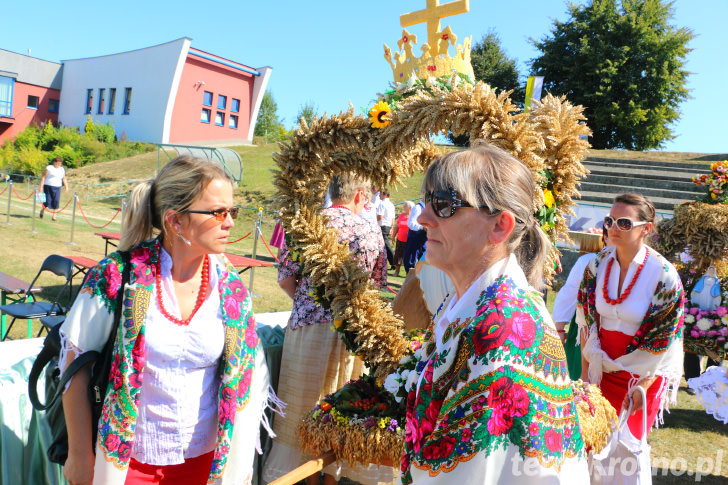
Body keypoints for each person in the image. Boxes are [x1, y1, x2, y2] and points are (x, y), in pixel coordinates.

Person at [59, 156, 270, 485]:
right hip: (128, 463)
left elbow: (247, 378)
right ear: (175, 220)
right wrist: (79, 454)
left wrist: (239, 464)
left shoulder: (232, 290)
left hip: (207, 462)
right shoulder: (117, 276)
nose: (230, 223)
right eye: (218, 212)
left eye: (233, 211)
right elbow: (74, 366)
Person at [400, 143, 589, 484]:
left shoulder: (500, 329)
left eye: (443, 204)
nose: (423, 218)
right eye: (425, 202)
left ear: (499, 227)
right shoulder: (470, 302)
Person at [263, 173, 388, 485]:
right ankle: (331, 477)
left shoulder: (309, 224)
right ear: (360, 194)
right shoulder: (372, 230)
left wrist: (310, 302)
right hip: (353, 332)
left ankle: (299, 477)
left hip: (308, 328)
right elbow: (376, 287)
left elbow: (285, 277)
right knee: (342, 409)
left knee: (301, 409)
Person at [576, 193, 684, 445]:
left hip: (642, 375)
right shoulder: (596, 265)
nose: (613, 228)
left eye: (624, 222)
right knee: (591, 445)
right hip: (599, 370)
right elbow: (586, 323)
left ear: (646, 228)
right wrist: (584, 375)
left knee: (625, 449)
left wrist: (643, 386)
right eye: (609, 221)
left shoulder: (664, 275)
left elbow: (666, 338)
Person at [552, 227, 609, 380]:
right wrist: (559, 329)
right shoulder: (589, 261)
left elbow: (569, 292)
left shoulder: (589, 260)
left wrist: (559, 329)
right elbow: (570, 292)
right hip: (585, 328)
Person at [39, 156, 69, 221]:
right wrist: (41, 187)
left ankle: (54, 216)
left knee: (56, 201)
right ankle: (42, 210)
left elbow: (64, 178)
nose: (59, 165)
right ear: (54, 162)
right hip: (48, 186)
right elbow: (44, 177)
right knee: (47, 201)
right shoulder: (49, 168)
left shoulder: (62, 169)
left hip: (57, 187)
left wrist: (67, 187)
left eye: (60, 163)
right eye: (58, 163)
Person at [402, 200, 426, 274]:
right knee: (410, 263)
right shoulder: (418, 208)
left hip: (424, 241)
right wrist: (422, 227)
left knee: (424, 263)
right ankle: (410, 282)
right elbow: (411, 223)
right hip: (415, 239)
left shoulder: (429, 208)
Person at [392, 201, 414, 277]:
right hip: (400, 239)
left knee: (408, 257)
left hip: (409, 241)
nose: (403, 207)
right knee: (398, 256)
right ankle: (396, 271)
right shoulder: (401, 215)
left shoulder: (414, 217)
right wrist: (393, 236)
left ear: (410, 208)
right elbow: (397, 227)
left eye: (405, 206)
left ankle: (408, 273)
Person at [377, 188, 396, 268]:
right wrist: (391, 227)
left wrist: (375, 221)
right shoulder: (391, 205)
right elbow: (393, 218)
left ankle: (394, 262)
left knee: (386, 245)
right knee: (384, 245)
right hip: (387, 226)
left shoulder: (382, 204)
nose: (379, 196)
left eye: (380, 194)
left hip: (382, 225)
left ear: (384, 194)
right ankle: (392, 263)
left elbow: (379, 216)